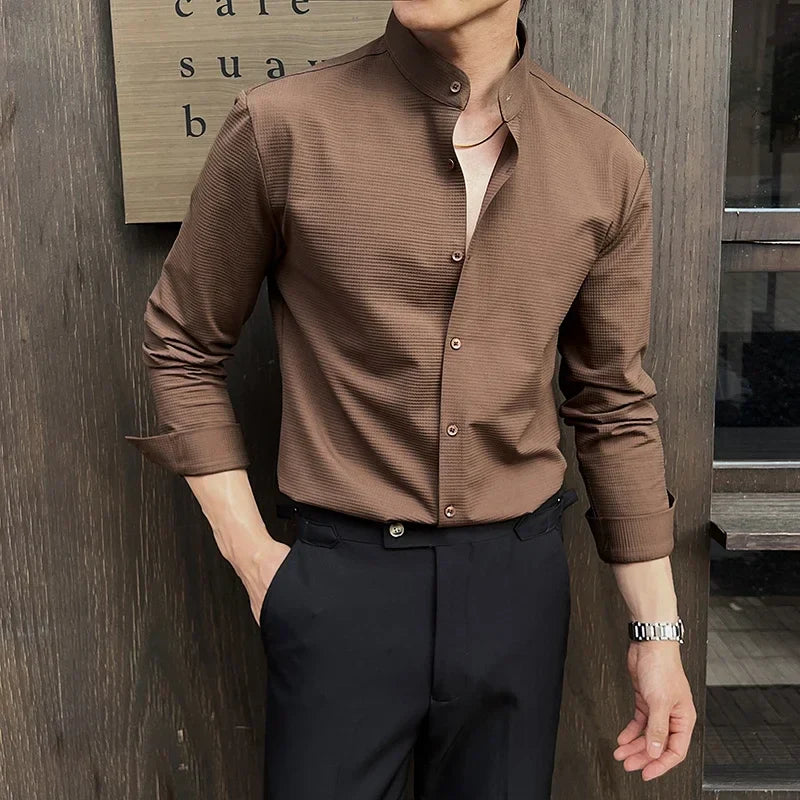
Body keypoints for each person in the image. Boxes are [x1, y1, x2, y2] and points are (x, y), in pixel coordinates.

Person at [125, 0, 696, 796]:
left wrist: (658, 632)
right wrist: (257, 563)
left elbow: (613, 403)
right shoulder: (282, 126)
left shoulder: (604, 161)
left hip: (518, 593)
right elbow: (183, 343)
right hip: (341, 588)